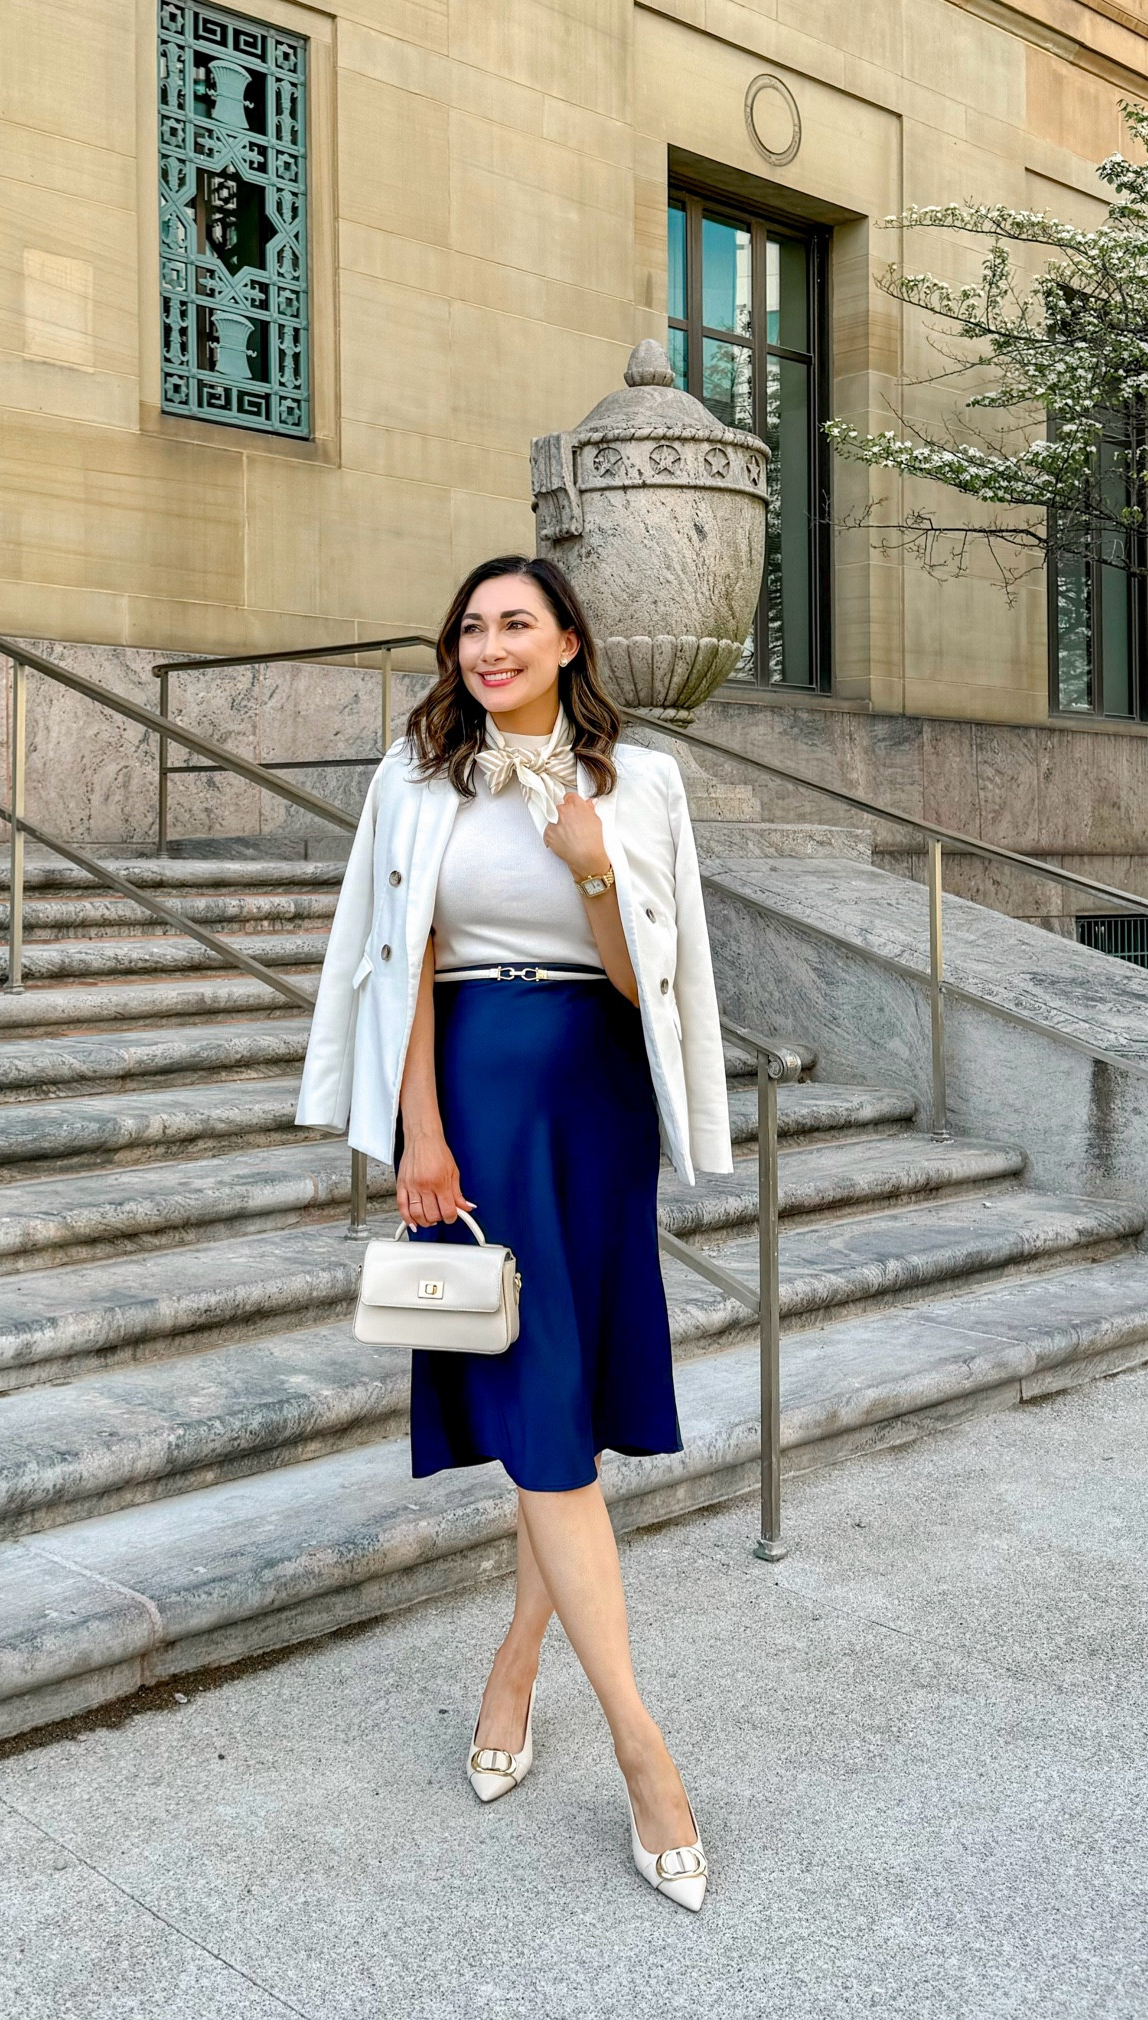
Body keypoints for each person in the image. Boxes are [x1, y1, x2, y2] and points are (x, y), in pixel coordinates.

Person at [295, 554, 733, 1913]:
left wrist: (595, 870)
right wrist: (418, 1135)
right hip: (477, 1098)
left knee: (570, 1407)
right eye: (471, 629)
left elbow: (652, 980)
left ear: (569, 642)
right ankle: (644, 1751)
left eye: (515, 625)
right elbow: (402, 963)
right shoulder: (415, 775)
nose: (489, 647)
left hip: (598, 1099)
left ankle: (518, 1662)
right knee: (541, 1410)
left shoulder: (642, 782)